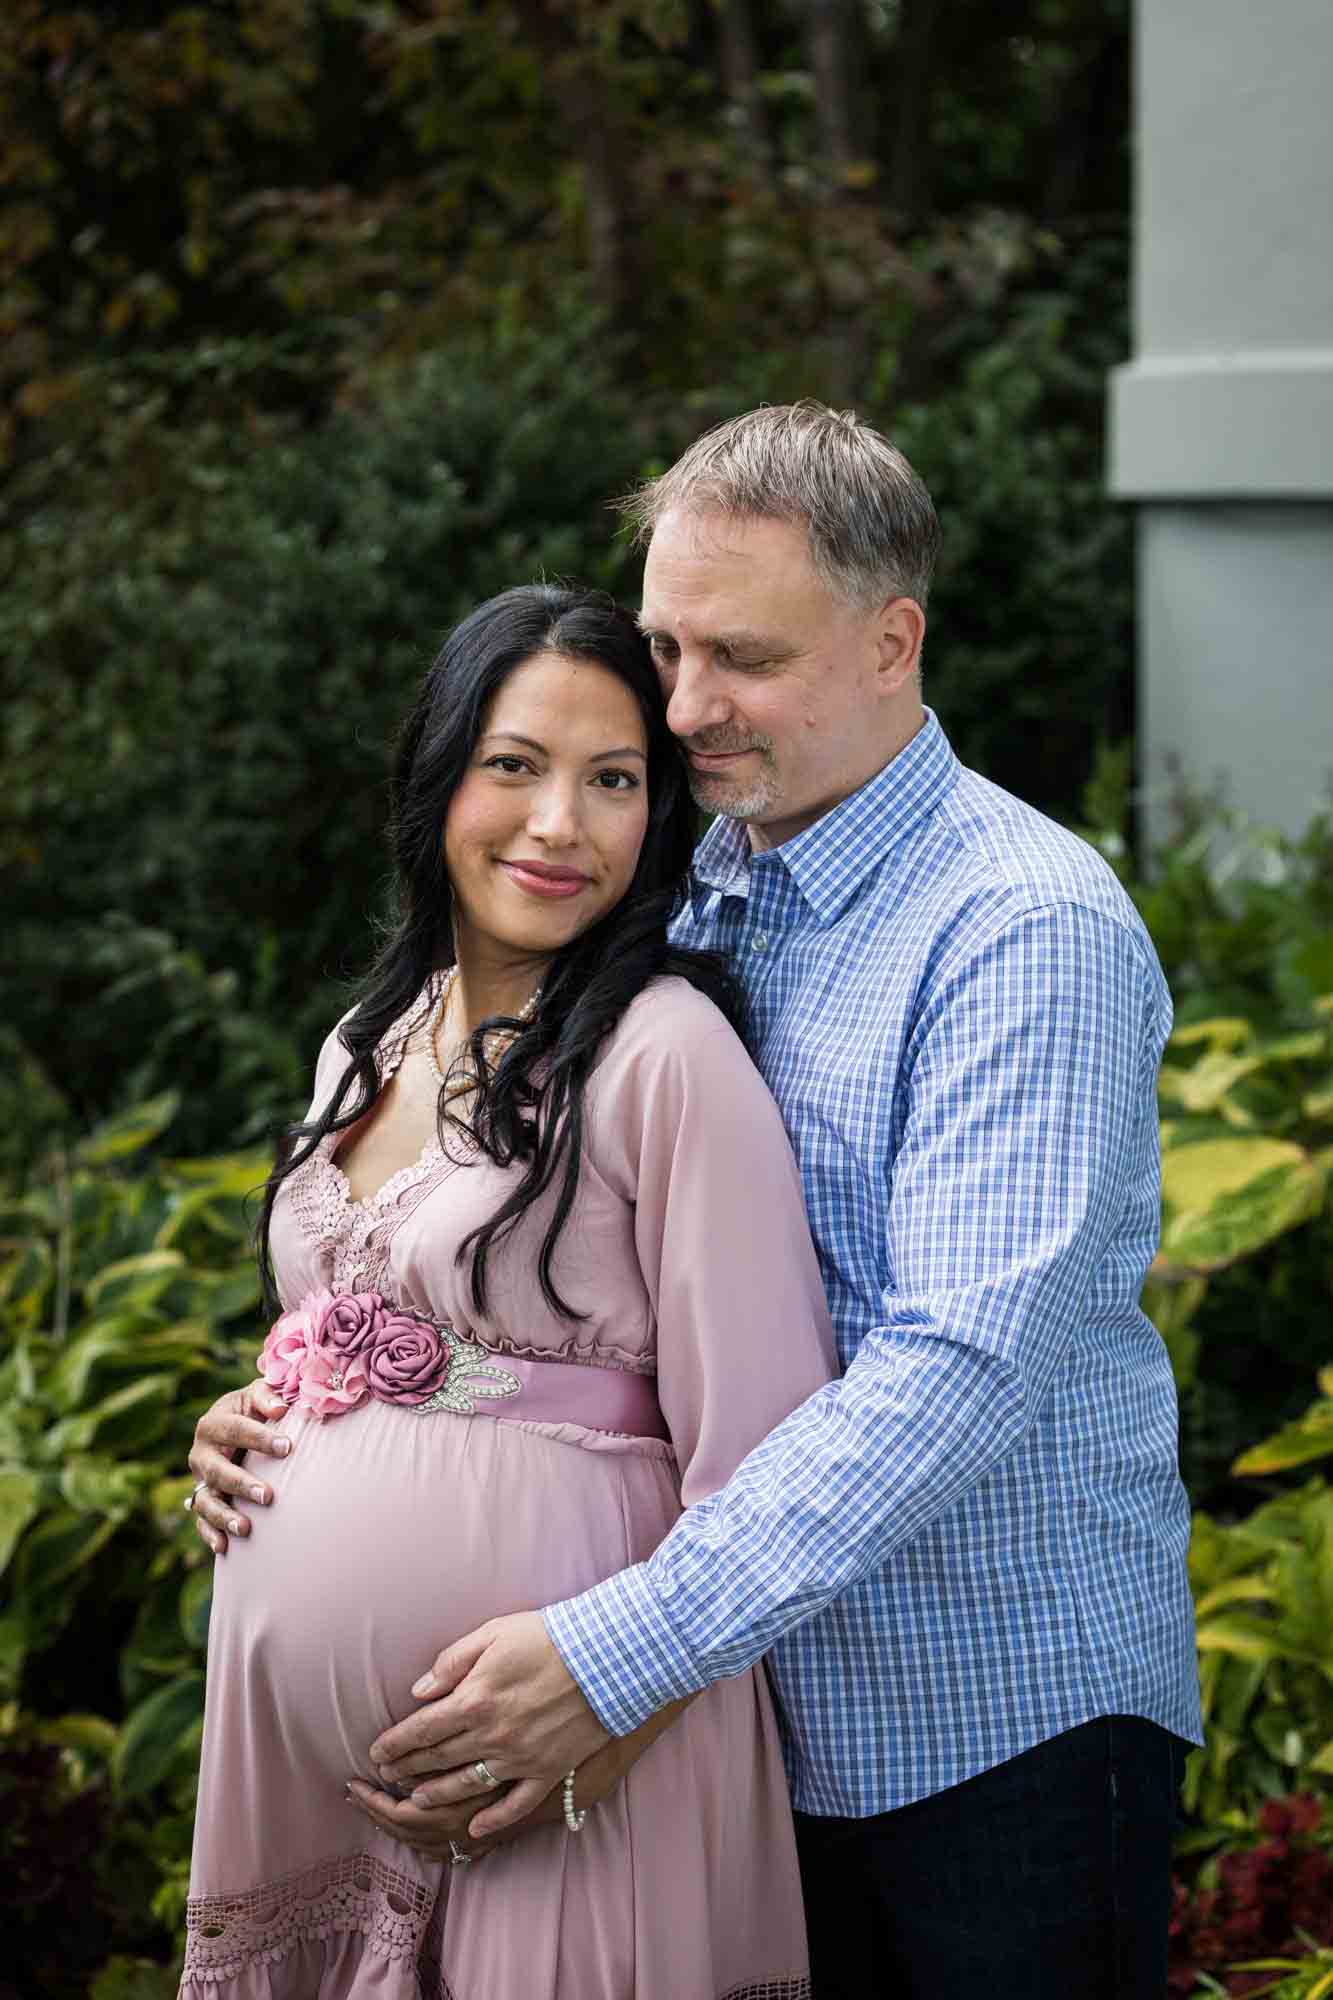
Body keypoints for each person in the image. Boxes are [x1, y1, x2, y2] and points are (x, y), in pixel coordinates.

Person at [350, 404, 1205, 1999]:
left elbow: (949, 1373)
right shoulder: (685, 878)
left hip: (989, 1724)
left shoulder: (1021, 928)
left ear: (893, 642)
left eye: (738, 657)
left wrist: (619, 1656)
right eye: (665, 649)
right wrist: (311, 1393)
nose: (682, 707)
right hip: (736, 1721)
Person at [179, 583, 836, 1998]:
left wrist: (607, 1712)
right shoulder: (366, 1041)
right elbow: (358, 1332)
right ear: (441, 778)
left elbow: (769, 1457)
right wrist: (254, 1412)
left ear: (658, 818)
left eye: (612, 782)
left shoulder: (665, 1058)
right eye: (515, 766)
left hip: (579, 1779)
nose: (559, 826)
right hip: (315, 1814)